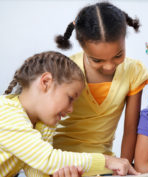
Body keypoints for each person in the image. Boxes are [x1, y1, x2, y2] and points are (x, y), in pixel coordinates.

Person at [0, 51, 138, 177]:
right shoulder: (6, 112)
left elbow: (37, 172)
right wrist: (106, 161)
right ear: (46, 82)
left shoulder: (43, 125)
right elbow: (47, 159)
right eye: (70, 98)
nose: (71, 109)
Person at [53, 1, 148, 170]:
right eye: (97, 60)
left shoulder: (134, 72)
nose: (109, 66)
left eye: (118, 55)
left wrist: (123, 167)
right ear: (82, 46)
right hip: (60, 161)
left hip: (104, 163)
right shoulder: (65, 70)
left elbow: (130, 129)